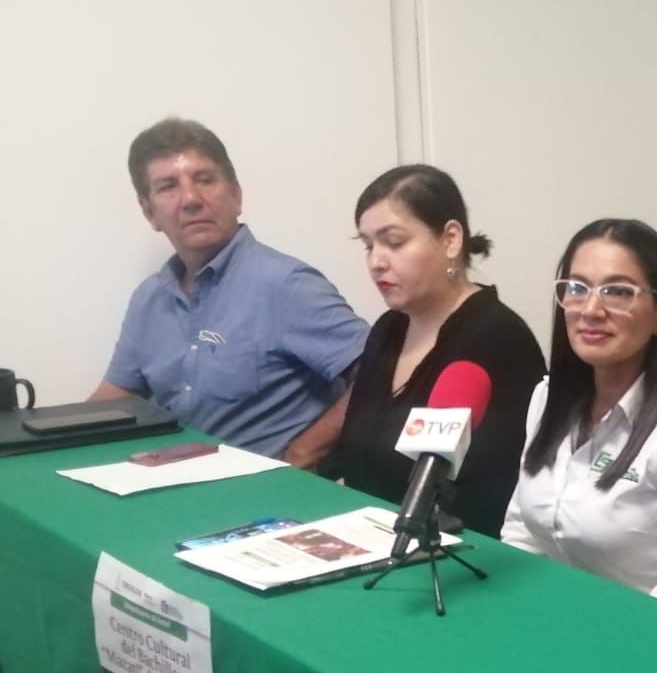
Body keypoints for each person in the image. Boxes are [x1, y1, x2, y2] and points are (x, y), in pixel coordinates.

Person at [91, 118, 367, 465]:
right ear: (150, 213)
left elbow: (382, 374)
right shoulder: (148, 300)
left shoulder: (287, 285)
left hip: (266, 489)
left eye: (204, 180)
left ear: (236, 195)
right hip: (173, 480)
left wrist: (304, 451)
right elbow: (116, 397)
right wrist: (44, 438)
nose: (191, 199)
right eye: (168, 187)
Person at [501, 219, 657, 613]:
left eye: (618, 292)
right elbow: (521, 532)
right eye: (577, 288)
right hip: (556, 618)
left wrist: (600, 636)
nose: (591, 309)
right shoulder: (548, 398)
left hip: (655, 636)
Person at [326, 165, 544, 534]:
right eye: (368, 245)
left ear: (451, 240)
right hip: (368, 534)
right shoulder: (388, 329)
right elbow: (353, 456)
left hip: (457, 548)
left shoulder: (498, 338)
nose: (376, 261)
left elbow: (494, 494)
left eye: (394, 242)